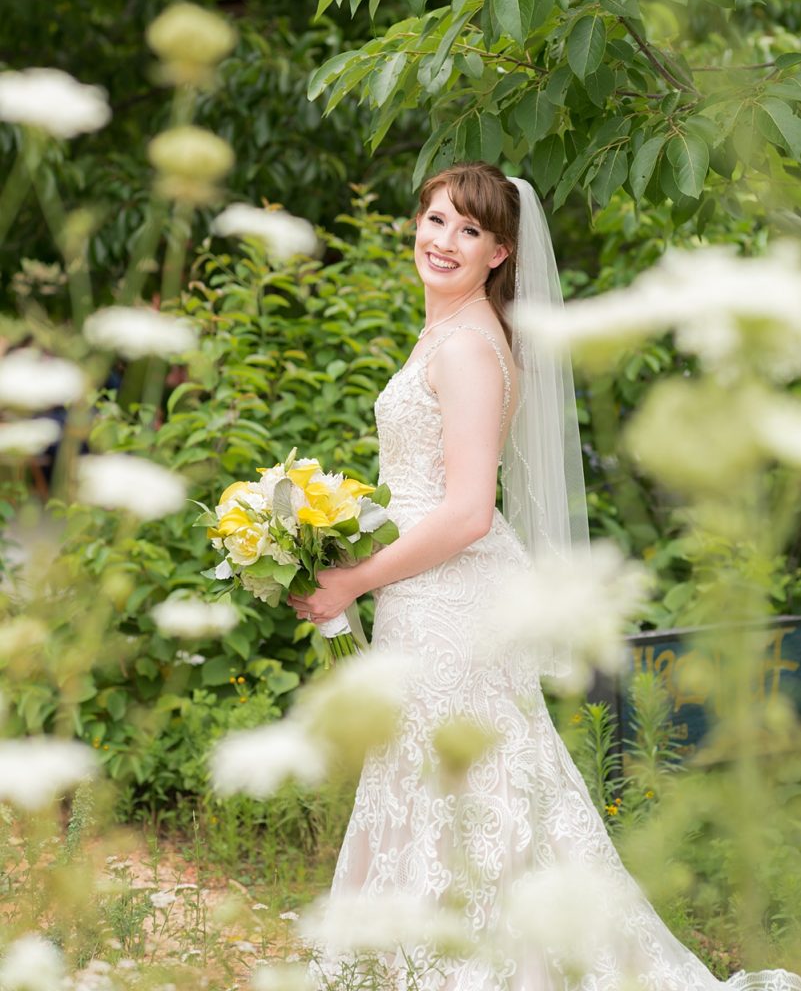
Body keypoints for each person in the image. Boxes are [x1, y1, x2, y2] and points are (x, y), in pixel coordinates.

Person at [289, 162, 800, 990]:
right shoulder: (453, 333)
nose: (443, 241)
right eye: (434, 220)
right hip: (428, 594)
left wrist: (353, 580)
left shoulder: (464, 347)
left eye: (468, 231)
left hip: (452, 597)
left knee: (468, 787)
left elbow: (466, 513)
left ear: (499, 252)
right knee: (462, 781)